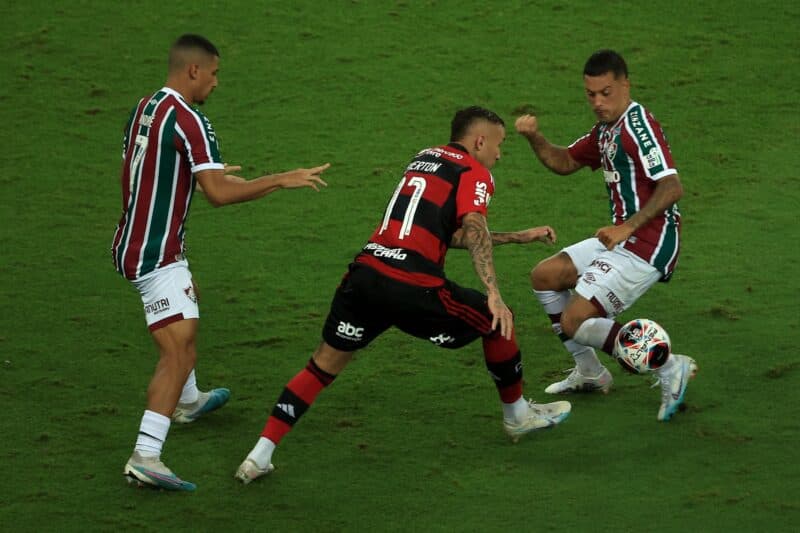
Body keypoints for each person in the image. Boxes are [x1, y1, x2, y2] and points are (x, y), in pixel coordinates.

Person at [235, 106, 571, 484]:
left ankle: (259, 455)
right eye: (498, 144)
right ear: (479, 141)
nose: (499, 154)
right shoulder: (476, 172)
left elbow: (440, 230)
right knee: (499, 320)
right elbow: (473, 226)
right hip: (412, 284)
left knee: (322, 365)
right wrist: (492, 291)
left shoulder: (424, 158)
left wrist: (517, 237)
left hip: (365, 275)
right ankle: (517, 416)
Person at [111, 34, 330, 491]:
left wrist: (189, 176)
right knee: (179, 350)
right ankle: (146, 454)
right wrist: (280, 179)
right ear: (194, 70)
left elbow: (139, 164)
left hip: (132, 240)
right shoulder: (191, 119)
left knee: (188, 305)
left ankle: (189, 401)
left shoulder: (146, 106)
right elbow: (219, 194)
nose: (216, 83)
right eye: (214, 73)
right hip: (156, 253)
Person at [514, 49, 697, 422]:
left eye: (606, 92)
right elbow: (565, 161)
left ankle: (669, 367)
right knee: (545, 276)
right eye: (591, 94)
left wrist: (627, 226)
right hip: (622, 239)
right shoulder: (606, 130)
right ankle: (591, 373)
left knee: (574, 321)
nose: (598, 102)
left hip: (648, 242)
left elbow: (672, 186)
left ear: (625, 85)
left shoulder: (637, 124)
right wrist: (534, 137)